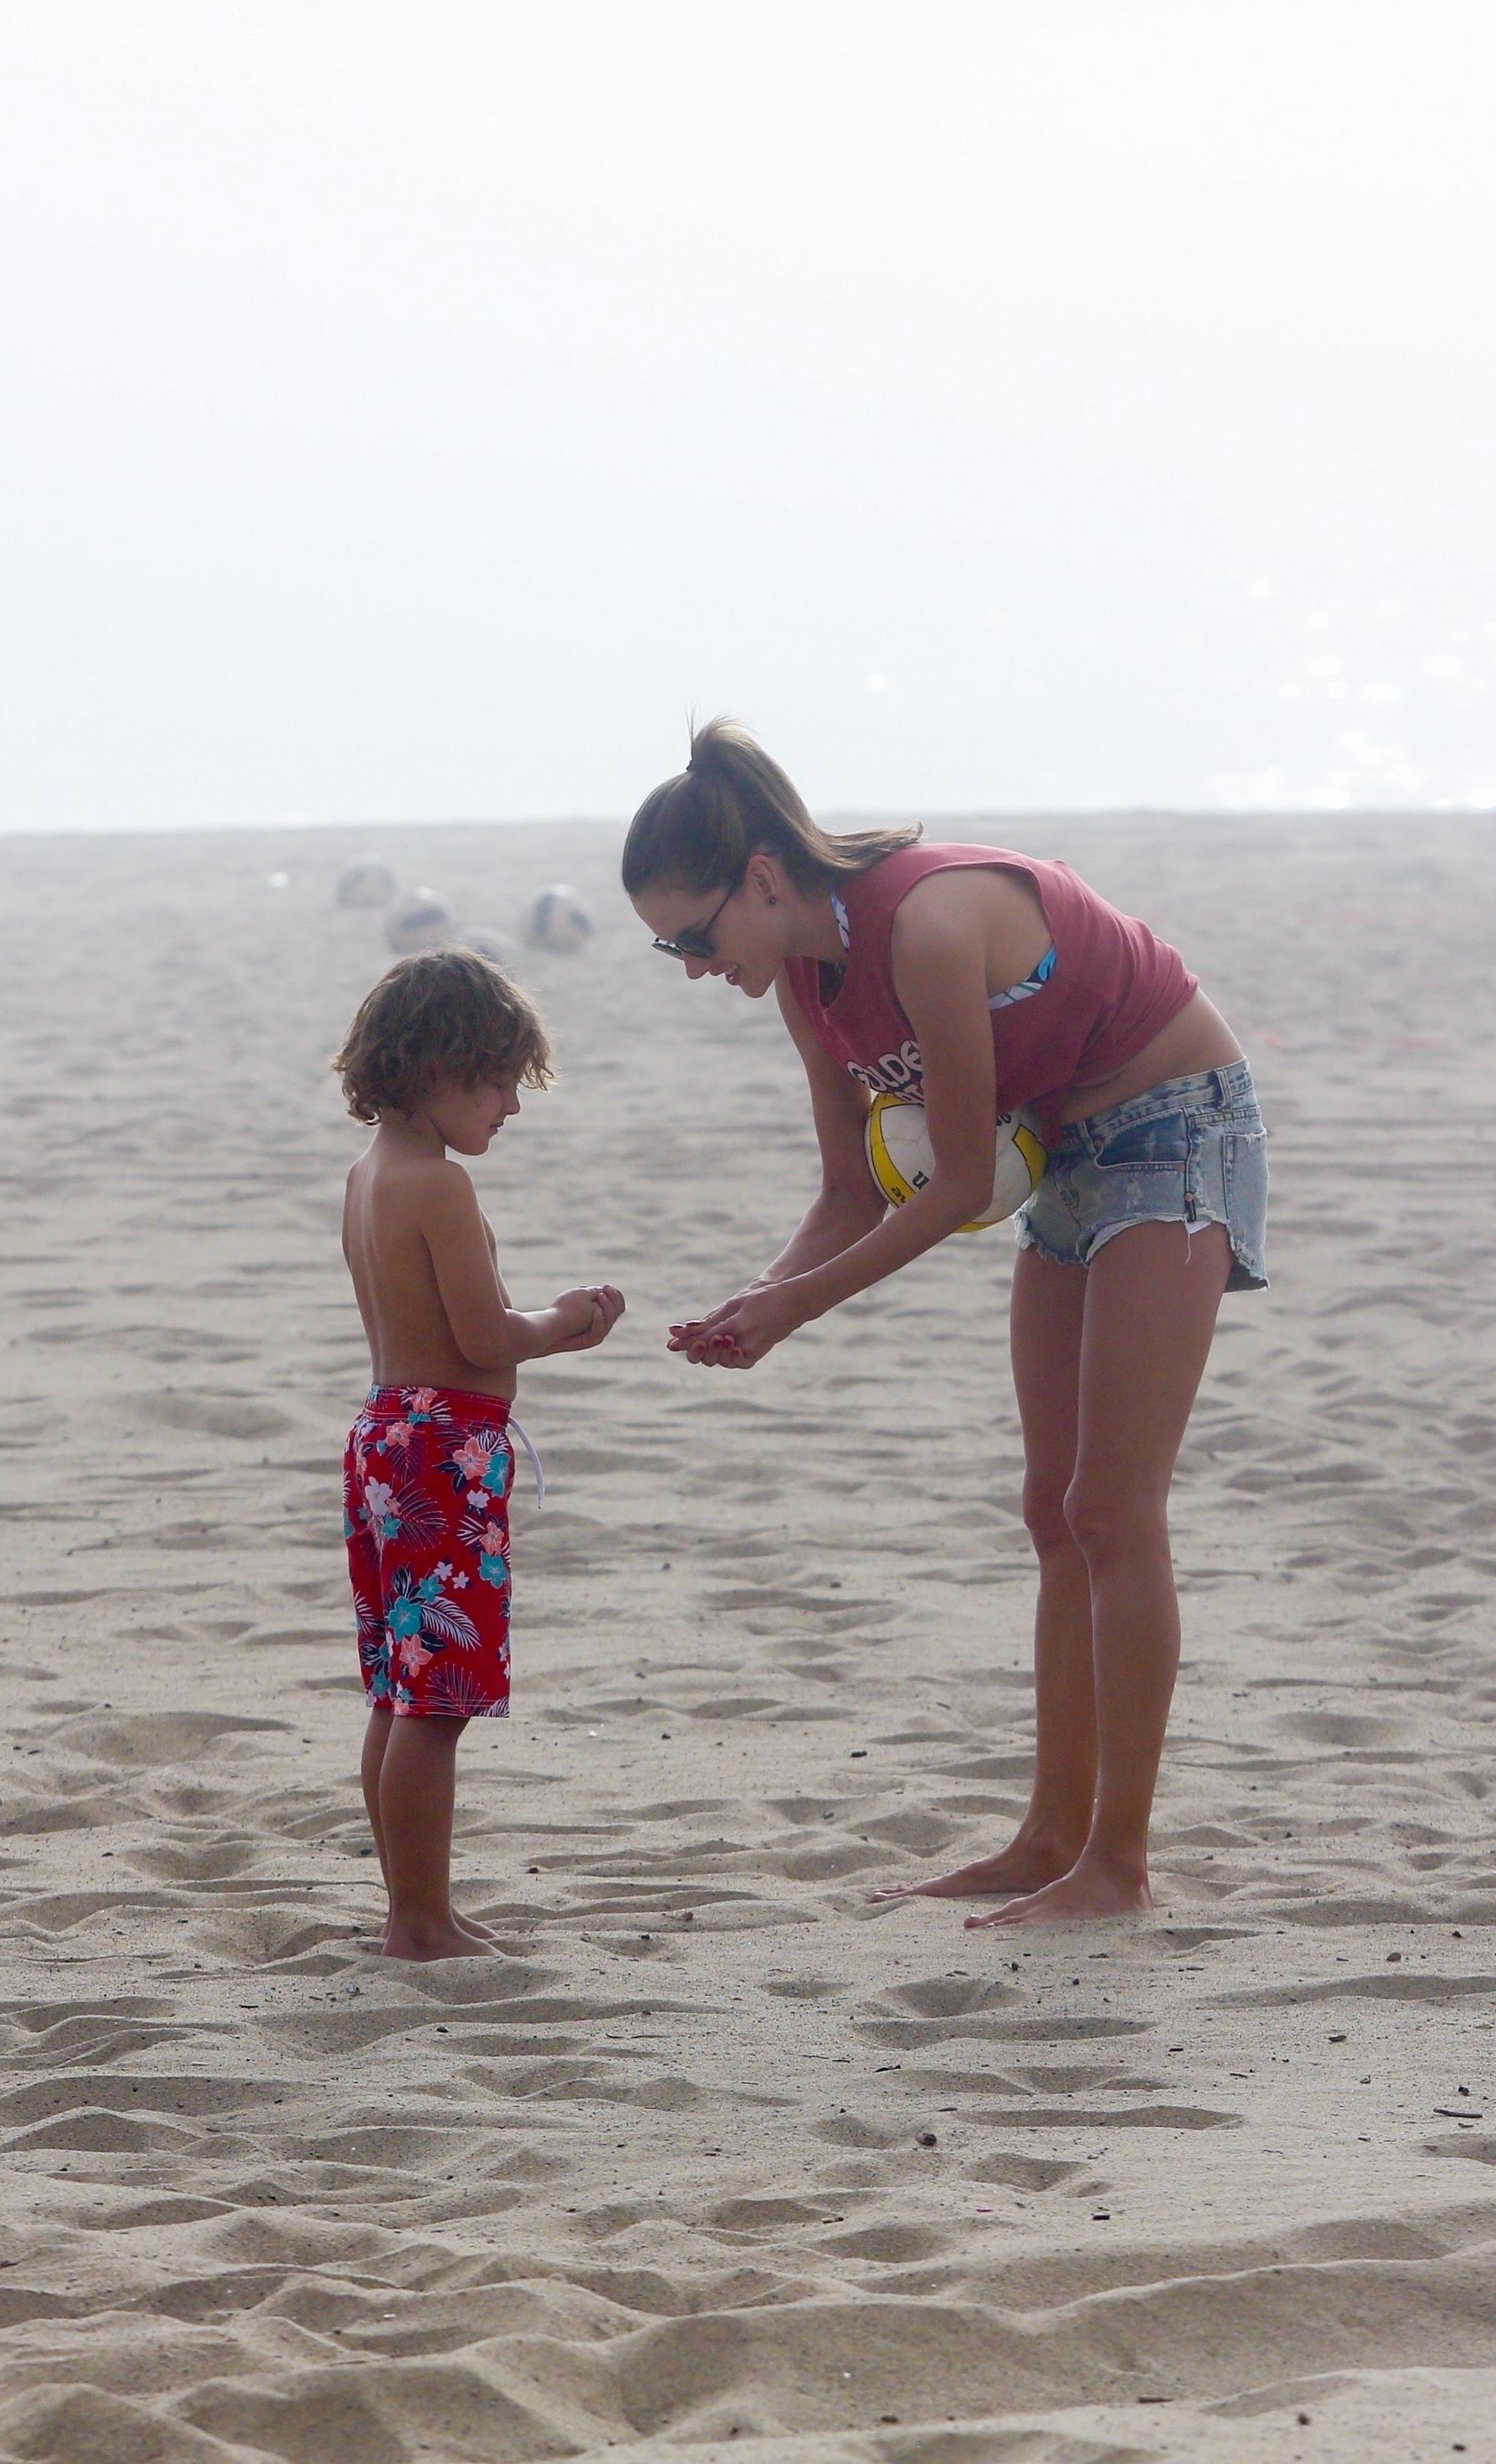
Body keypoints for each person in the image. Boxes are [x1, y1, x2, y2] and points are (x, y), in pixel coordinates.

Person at [624, 721, 1267, 1927]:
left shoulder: (922, 926)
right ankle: (1046, 1840)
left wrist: (791, 1312)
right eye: (668, 950)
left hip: (1175, 1125)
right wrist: (754, 1298)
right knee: (1050, 1507)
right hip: (1066, 1147)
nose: (693, 965)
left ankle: (1115, 1868)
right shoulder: (808, 985)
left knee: (1110, 1507)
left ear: (763, 877)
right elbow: (851, 1190)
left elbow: (958, 1189)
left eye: (695, 937)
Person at [332, 949, 624, 1960]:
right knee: (437, 1702)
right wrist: (568, 1320)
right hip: (441, 1454)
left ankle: (418, 1908)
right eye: (496, 1081)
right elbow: (482, 1337)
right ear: (433, 1067)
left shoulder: (369, 1175)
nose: (510, 1105)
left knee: (399, 1691)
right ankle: (417, 1921)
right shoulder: (439, 1188)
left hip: (382, 1440)